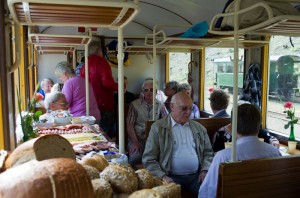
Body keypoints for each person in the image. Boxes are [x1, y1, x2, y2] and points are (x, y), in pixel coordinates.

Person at [198, 103, 282, 198]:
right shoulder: (274, 152)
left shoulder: (223, 157)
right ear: (259, 126)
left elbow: (206, 193)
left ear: (232, 126)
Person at [142, 92, 214, 195]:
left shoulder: (199, 129)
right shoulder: (158, 128)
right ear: (172, 106)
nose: (188, 112)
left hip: (197, 176)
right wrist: (163, 177)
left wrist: (205, 170)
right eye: (184, 108)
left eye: (191, 108)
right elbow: (148, 158)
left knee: (211, 193)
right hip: (170, 176)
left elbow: (208, 153)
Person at [127, 78, 168, 169]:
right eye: (146, 90)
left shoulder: (161, 105)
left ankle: (157, 177)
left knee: (165, 158)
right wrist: (135, 142)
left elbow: (167, 123)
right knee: (135, 158)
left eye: (152, 89)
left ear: (156, 91)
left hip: (155, 140)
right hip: (138, 139)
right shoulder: (134, 104)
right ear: (143, 92)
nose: (149, 92)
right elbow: (129, 125)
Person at [80, 38, 118, 136]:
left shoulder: (84, 65)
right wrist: (119, 87)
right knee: (104, 132)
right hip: (104, 104)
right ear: (98, 50)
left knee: (93, 132)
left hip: (89, 104)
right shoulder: (102, 62)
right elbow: (107, 82)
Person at [212, 100, 280, 152]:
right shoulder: (220, 133)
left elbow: (268, 136)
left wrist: (273, 141)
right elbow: (215, 153)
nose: (247, 119)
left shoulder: (252, 127)